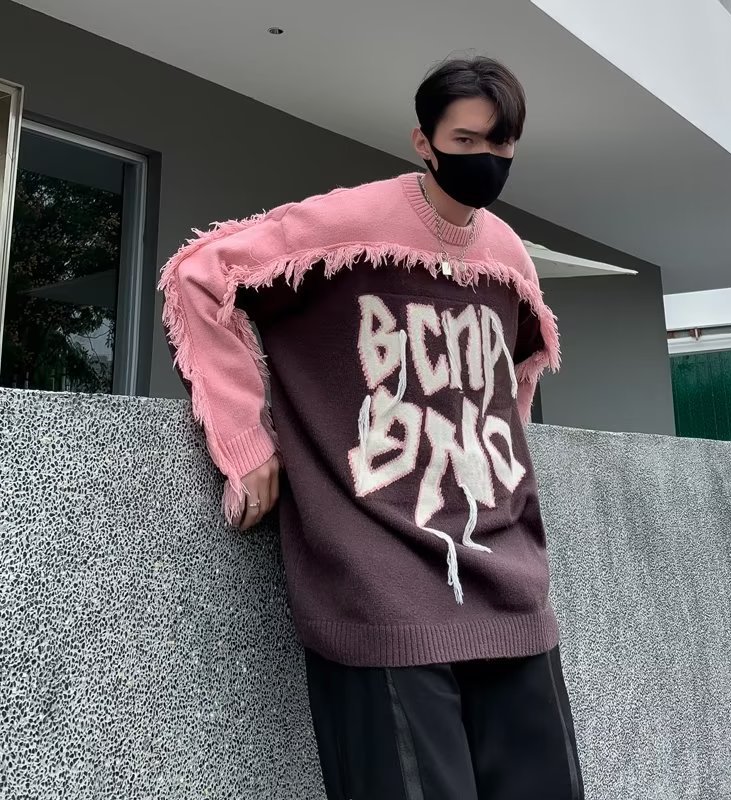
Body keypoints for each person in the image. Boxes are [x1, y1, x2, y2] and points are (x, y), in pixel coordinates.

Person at [161, 55, 584, 800]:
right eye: (466, 141)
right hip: (378, 583)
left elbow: (517, 374)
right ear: (423, 141)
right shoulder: (350, 224)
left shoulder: (508, 253)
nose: (485, 159)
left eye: (501, 144)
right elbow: (201, 274)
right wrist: (245, 442)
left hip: (510, 586)